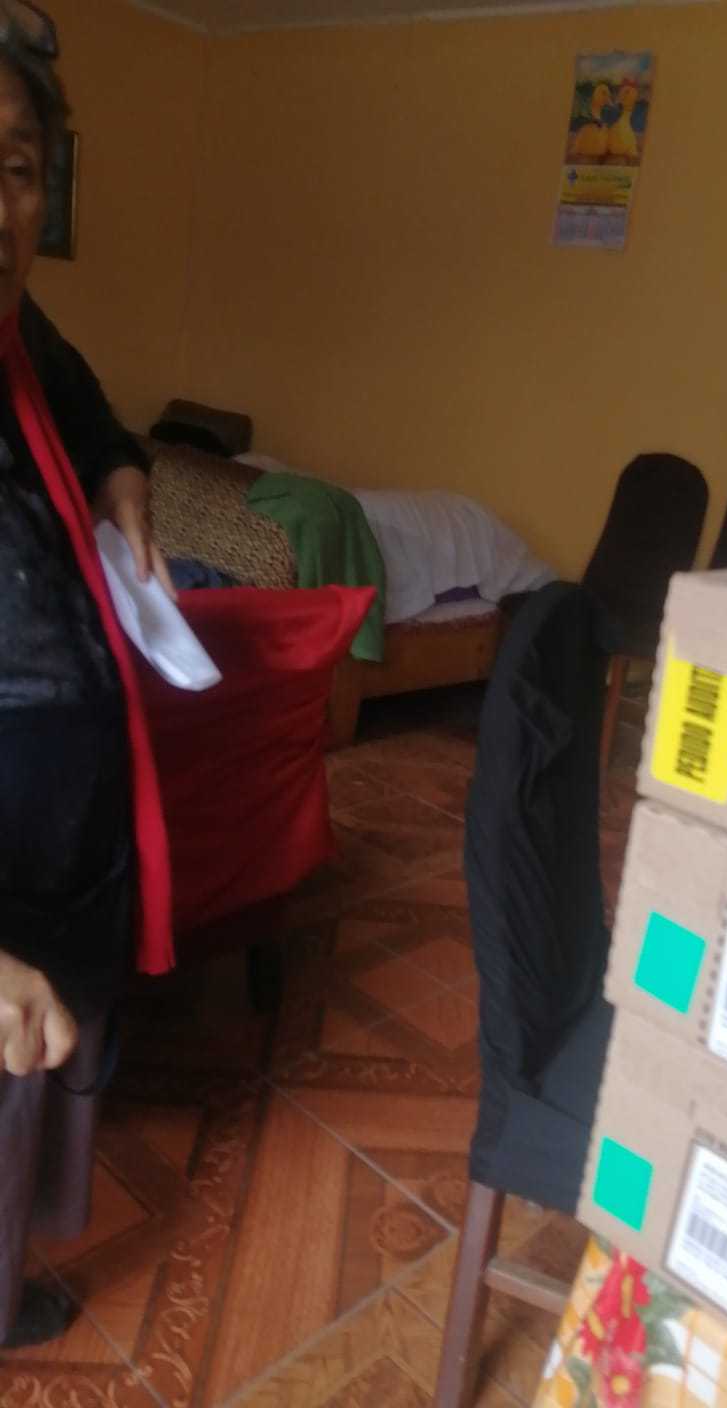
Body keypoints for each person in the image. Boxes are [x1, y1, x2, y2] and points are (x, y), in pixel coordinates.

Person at [0, 1, 174, 1349]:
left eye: (15, 164)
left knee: (26, 1104)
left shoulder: (25, 336)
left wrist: (123, 490)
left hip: (62, 836)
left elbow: (108, 425)